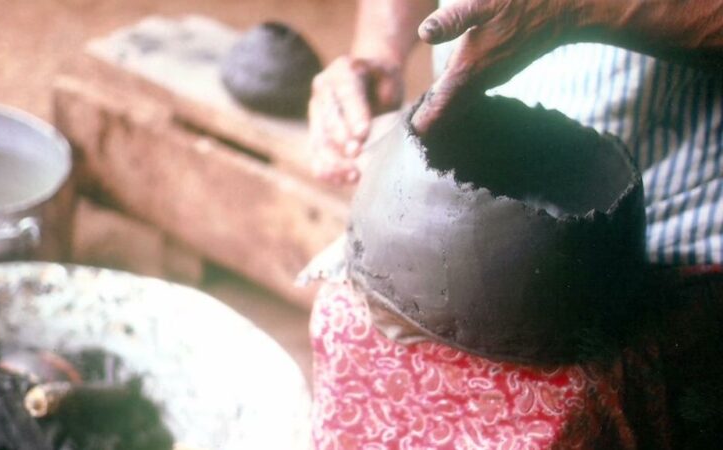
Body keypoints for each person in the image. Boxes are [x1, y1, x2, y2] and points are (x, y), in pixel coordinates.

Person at [307, 0, 723, 448]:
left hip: (665, 226)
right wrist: (378, 52)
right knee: (346, 324)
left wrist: (574, 9)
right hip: (436, 186)